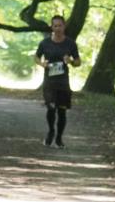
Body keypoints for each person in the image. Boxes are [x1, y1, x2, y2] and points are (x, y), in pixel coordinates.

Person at [34, 15, 81, 148]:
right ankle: (51, 131)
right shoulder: (45, 43)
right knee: (51, 108)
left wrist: (70, 61)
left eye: (60, 25)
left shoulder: (70, 43)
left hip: (63, 82)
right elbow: (36, 57)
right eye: (55, 26)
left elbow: (78, 62)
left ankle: (59, 137)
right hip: (49, 81)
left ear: (64, 26)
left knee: (62, 111)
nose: (58, 28)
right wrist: (42, 64)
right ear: (51, 27)